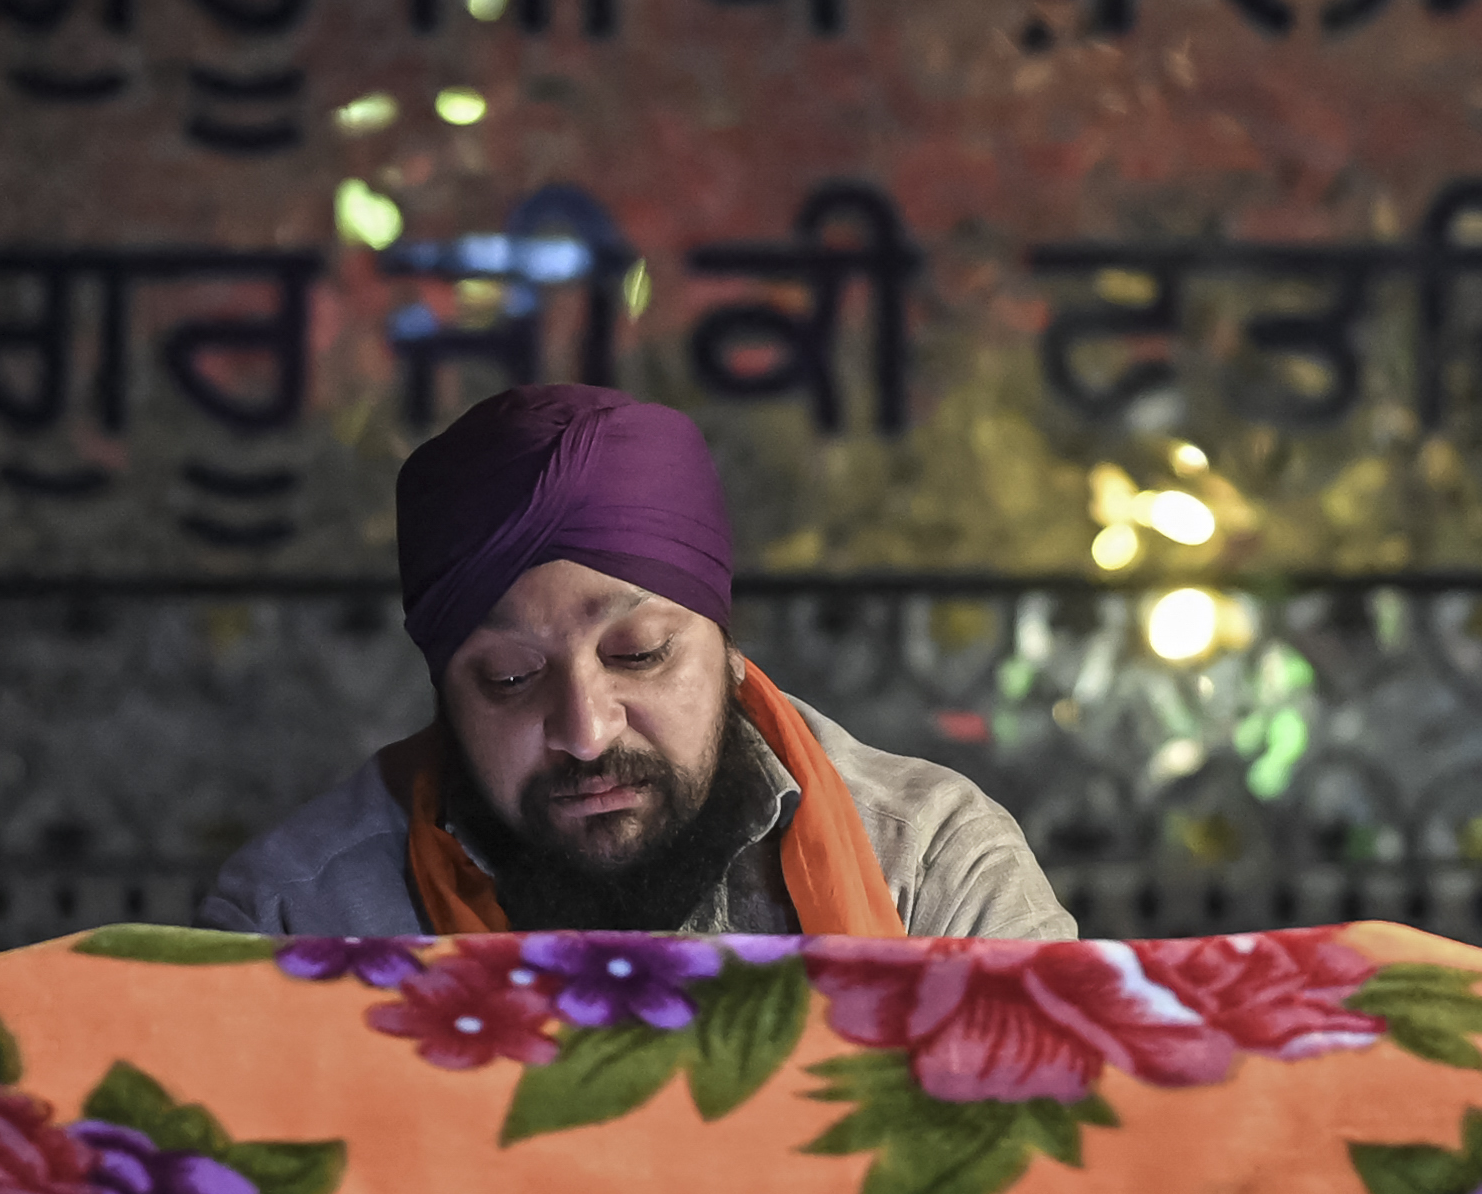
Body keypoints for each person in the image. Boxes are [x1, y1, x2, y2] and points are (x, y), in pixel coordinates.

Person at [199, 384, 1074, 941]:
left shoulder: (933, 871)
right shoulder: (298, 918)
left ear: (726, 650)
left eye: (641, 654)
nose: (584, 730)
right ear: (442, 691)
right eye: (508, 677)